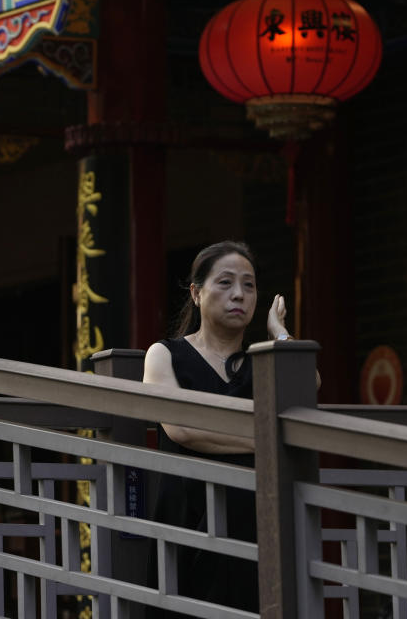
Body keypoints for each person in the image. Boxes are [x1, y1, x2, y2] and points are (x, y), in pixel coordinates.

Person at [142, 241, 293, 617]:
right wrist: (272, 441)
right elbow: (183, 429)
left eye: (249, 285)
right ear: (196, 293)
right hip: (187, 519)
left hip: (254, 523)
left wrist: (280, 335)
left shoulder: (262, 363)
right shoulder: (165, 354)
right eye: (225, 283)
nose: (239, 294)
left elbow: (308, 383)